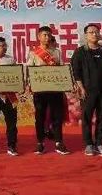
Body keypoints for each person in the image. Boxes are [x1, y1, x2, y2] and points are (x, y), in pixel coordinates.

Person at [71, 24, 102, 156]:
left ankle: (100, 143)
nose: (95, 34)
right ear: (86, 35)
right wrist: (81, 88)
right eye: (91, 32)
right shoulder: (80, 52)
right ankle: (89, 144)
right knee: (86, 117)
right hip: (87, 90)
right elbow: (76, 72)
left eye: (97, 32)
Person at [26, 26, 70, 155]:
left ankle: (59, 142)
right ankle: (40, 143)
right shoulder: (34, 53)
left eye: (49, 35)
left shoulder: (57, 52)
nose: (47, 37)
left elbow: (62, 69)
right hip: (40, 91)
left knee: (57, 117)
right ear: (39, 37)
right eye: (44, 35)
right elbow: (29, 71)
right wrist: (30, 85)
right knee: (40, 117)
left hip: (55, 90)